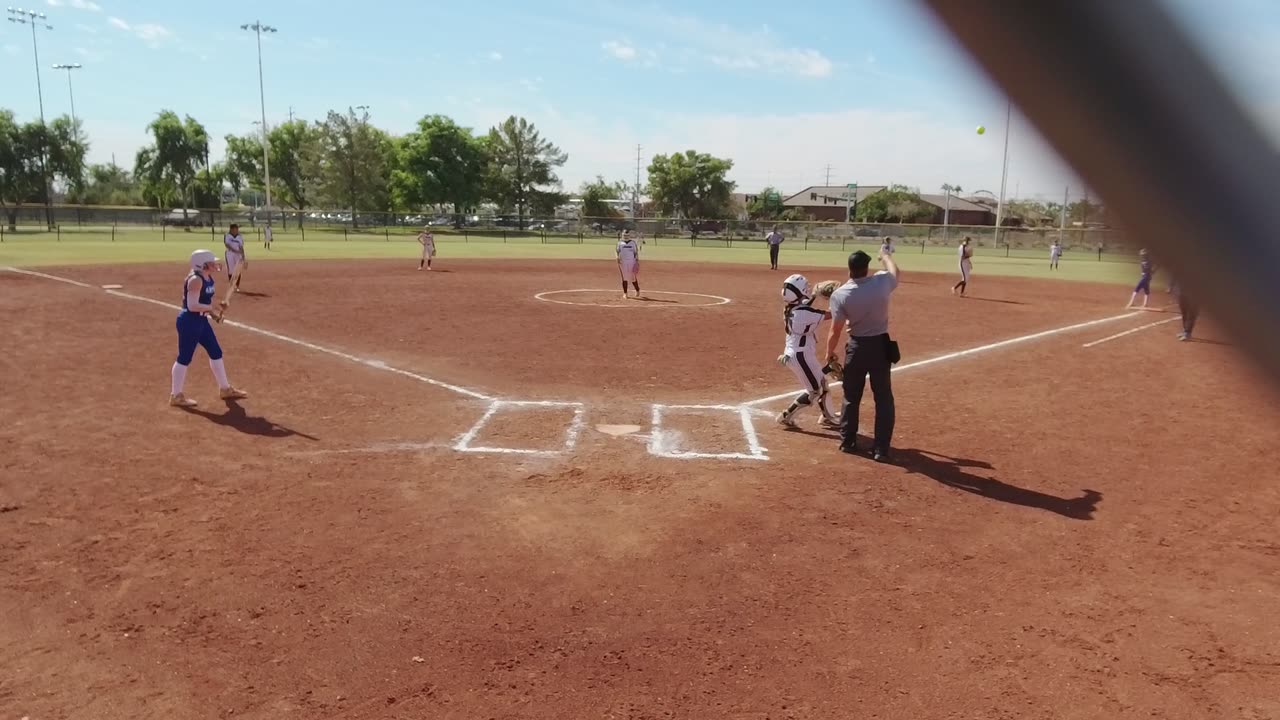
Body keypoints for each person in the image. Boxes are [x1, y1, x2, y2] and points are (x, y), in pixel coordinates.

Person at [826, 249, 900, 462]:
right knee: (884, 398)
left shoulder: (841, 294)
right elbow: (895, 272)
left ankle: (848, 442)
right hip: (880, 347)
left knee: (851, 396)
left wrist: (829, 354)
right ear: (867, 268)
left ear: (849, 269)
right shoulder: (881, 282)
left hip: (856, 347)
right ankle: (881, 449)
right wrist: (885, 256)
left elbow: (835, 330)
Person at [170, 249, 249, 408]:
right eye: (211, 262)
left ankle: (225, 389)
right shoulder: (195, 280)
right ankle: (176, 395)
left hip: (201, 321)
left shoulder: (207, 277)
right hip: (189, 322)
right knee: (184, 357)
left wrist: (214, 314)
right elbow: (192, 306)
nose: (214, 264)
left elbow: (202, 303)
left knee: (216, 352)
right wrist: (212, 308)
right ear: (202, 264)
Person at [775, 274, 841, 431]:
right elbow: (831, 314)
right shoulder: (805, 313)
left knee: (822, 383)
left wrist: (815, 294)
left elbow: (804, 304)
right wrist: (836, 299)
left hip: (799, 353)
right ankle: (786, 416)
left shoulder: (791, 308)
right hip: (800, 356)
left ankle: (828, 417)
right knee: (814, 391)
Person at [616, 230, 642, 299]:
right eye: (624, 235)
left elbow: (636, 252)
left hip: (631, 262)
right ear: (622, 235)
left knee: (633, 278)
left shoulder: (632, 243)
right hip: (623, 262)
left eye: (627, 235)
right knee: (624, 278)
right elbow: (617, 251)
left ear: (629, 236)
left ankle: (637, 290)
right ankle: (625, 293)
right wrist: (617, 257)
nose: (625, 236)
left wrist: (637, 261)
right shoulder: (620, 243)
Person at [223, 223, 246, 293]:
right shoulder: (227, 235)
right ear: (232, 229)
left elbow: (241, 246)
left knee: (237, 270)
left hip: (238, 255)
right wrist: (235, 251)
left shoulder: (239, 236)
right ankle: (231, 286)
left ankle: (237, 286)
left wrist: (243, 255)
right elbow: (227, 245)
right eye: (236, 228)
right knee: (231, 270)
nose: (237, 230)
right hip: (229, 254)